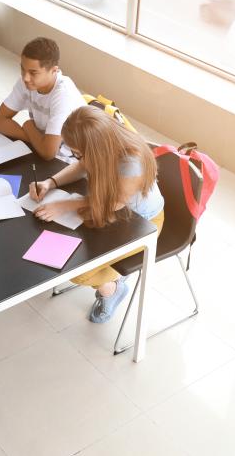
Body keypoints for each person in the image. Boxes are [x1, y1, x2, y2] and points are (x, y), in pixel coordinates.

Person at [29, 106, 165, 323]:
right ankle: (111, 274)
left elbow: (115, 203)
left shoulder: (131, 162)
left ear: (95, 147)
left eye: (78, 152)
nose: (75, 156)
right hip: (111, 210)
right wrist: (50, 182)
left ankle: (112, 288)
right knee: (63, 255)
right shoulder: (103, 143)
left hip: (140, 222)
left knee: (79, 272)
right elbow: (82, 166)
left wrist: (66, 204)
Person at [0, 37, 84, 161]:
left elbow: (48, 153)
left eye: (33, 72)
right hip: (45, 145)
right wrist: (37, 138)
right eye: (22, 69)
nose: (25, 78)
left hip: (75, 156)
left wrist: (28, 125)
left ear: (54, 71)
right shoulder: (28, 82)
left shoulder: (63, 95)